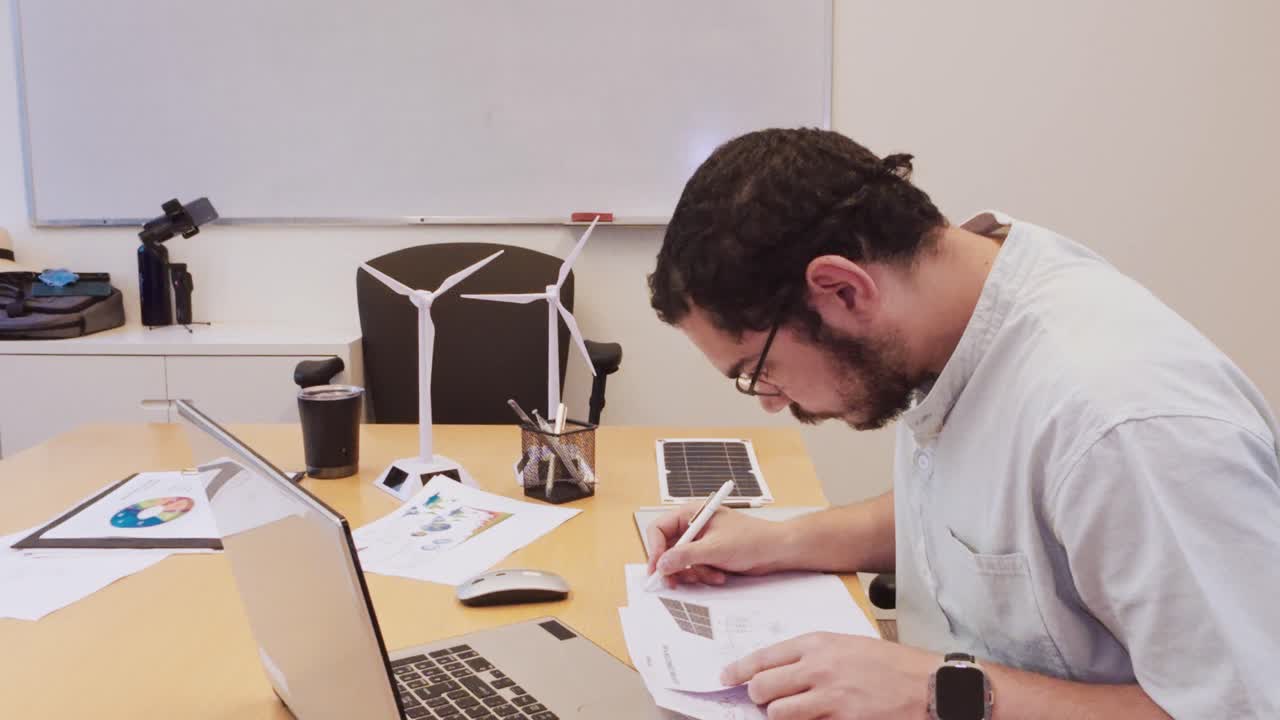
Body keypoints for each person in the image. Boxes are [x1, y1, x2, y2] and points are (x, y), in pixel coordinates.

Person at [644, 128, 1280, 719]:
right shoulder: (957, 301)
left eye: (760, 370)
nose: (769, 401)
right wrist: (778, 541)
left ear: (841, 290)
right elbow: (982, 513)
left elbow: (1244, 707)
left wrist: (938, 692)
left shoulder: (1123, 427)